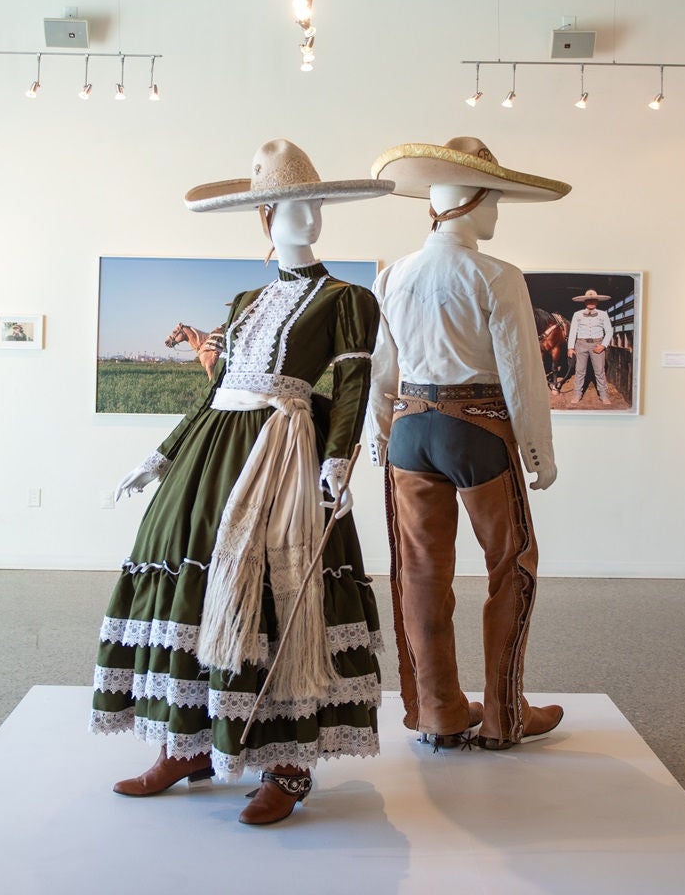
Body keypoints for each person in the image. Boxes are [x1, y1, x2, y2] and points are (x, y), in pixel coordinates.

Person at [92, 139, 393, 826]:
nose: (310, 215)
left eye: (317, 201)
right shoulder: (247, 299)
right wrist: (161, 456)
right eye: (293, 204)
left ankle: (288, 764)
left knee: (279, 593)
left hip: (284, 455)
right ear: (264, 216)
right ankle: (188, 741)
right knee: (194, 585)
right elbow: (217, 390)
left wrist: (339, 461)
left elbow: (351, 386)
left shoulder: (348, 298)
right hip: (210, 458)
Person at [365, 136, 572, 751]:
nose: (498, 213)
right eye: (495, 199)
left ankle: (440, 714)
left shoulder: (392, 275)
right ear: (473, 202)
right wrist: (538, 452)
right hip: (476, 432)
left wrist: (378, 437)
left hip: (409, 432)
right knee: (512, 567)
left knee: (420, 573)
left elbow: (381, 369)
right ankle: (506, 716)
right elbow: (522, 375)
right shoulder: (497, 275)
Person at [567, 289, 614, 404]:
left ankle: (603, 395)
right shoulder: (577, 314)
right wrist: (570, 347)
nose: (591, 303)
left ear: (597, 302)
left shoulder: (603, 314)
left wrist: (603, 345)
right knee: (580, 371)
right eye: (588, 300)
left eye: (593, 300)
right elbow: (573, 331)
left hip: (597, 344)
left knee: (599, 371)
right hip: (581, 344)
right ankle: (577, 395)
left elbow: (609, 331)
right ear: (585, 302)